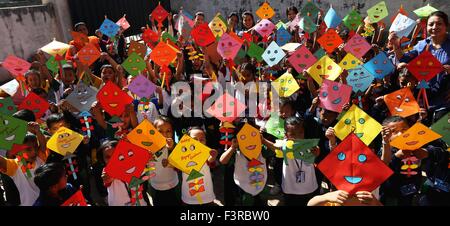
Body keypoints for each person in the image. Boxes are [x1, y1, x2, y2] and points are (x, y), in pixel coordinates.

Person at [391, 11, 450, 114]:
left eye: (439, 24)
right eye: (431, 24)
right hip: (425, 96)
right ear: (426, 27)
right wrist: (395, 44)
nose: (434, 27)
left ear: (446, 26)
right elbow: (404, 58)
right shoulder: (422, 44)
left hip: (445, 100)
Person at [262, 117, 320, 206]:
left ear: (304, 131)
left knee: (307, 202)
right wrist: (263, 140)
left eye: (300, 133)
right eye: (293, 134)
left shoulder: (309, 144)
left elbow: (315, 157)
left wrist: (317, 153)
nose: (297, 136)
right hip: (290, 184)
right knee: (290, 202)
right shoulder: (284, 144)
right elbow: (275, 147)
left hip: (308, 182)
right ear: (286, 135)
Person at [148, 116, 181, 206]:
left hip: (173, 185)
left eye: (168, 131)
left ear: (172, 132)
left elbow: (181, 164)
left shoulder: (175, 146)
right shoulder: (149, 148)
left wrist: (171, 149)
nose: (164, 135)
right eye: (160, 131)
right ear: (154, 132)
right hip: (155, 187)